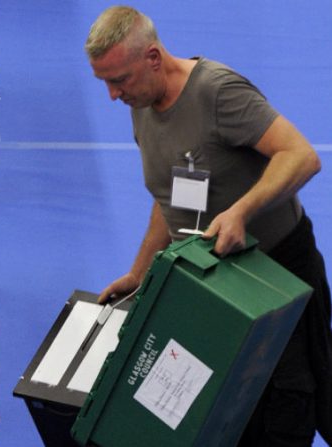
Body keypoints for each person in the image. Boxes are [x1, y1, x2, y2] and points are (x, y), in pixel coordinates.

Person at [85, 6, 331, 446]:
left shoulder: (218, 93)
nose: (112, 94)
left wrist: (242, 210)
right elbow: (172, 196)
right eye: (104, 81)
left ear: (154, 57)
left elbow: (300, 156)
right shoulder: (141, 101)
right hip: (213, 285)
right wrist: (140, 273)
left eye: (118, 79)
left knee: (285, 412)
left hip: (276, 279)